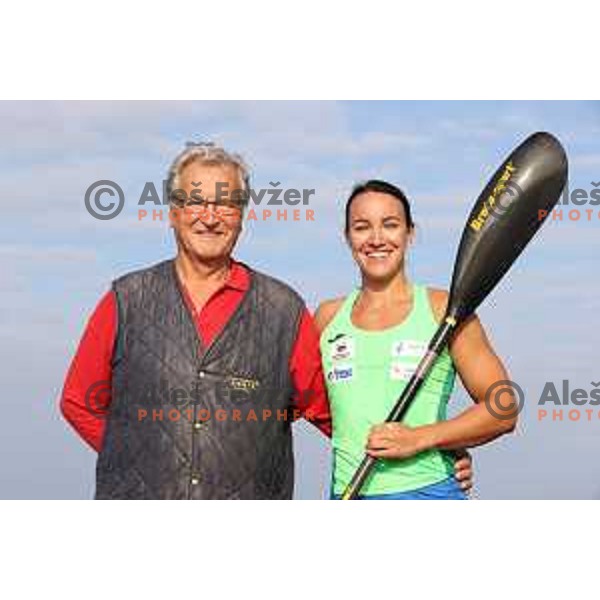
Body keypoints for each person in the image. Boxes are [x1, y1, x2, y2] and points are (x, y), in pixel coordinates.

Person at [60, 143, 473, 499]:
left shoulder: (283, 309)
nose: (210, 216)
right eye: (196, 201)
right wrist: (141, 465)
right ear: (173, 212)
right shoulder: (125, 299)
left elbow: (335, 413)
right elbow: (79, 402)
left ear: (242, 214)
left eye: (225, 203)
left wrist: (426, 445)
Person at [315, 180, 517, 500]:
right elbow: (312, 406)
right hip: (347, 493)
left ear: (410, 233)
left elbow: (504, 407)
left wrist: (426, 438)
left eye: (390, 225)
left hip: (428, 492)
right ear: (347, 237)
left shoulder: (445, 310)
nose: (377, 238)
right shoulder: (327, 317)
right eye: (362, 227)